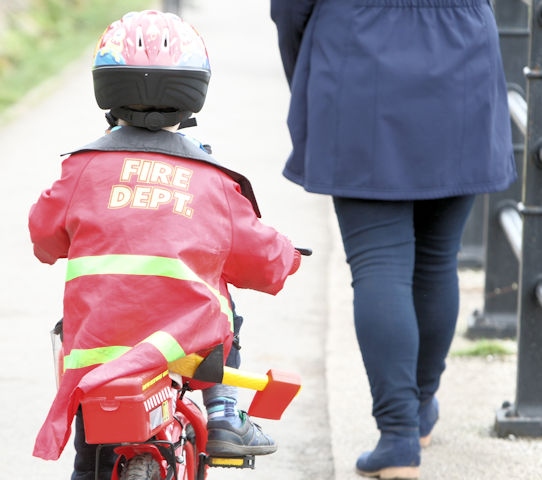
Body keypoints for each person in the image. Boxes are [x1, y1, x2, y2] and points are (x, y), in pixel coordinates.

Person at [28, 10, 301, 479]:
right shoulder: (214, 181)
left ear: (106, 91)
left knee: (91, 461)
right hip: (185, 346)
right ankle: (222, 415)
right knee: (222, 299)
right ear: (193, 92)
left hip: (99, 353)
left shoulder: (79, 170)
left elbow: (44, 238)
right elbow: (266, 261)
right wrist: (290, 256)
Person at [271, 1, 516, 478]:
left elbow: (289, 11)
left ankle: (399, 434)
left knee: (379, 262)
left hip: (360, 54)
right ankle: (420, 408)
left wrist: (311, 69)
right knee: (437, 258)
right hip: (462, 49)